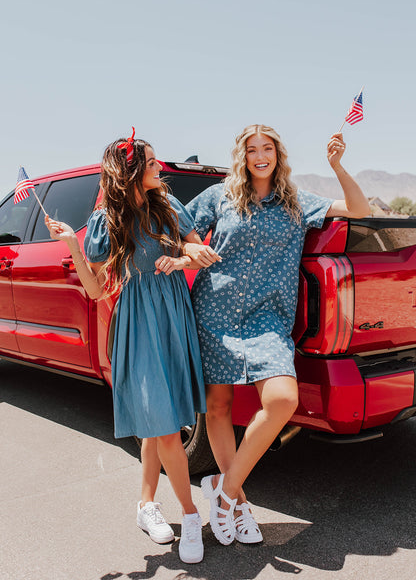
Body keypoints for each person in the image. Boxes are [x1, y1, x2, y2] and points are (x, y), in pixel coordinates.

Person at [184, 125, 370, 546]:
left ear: (277, 154)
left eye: (267, 148)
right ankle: (243, 504)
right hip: (215, 311)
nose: (260, 155)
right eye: (253, 149)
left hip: (269, 320)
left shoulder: (297, 202)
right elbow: (179, 223)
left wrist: (337, 165)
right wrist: (193, 247)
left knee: (283, 400)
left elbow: (358, 208)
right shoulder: (220, 196)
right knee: (217, 406)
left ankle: (226, 495)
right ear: (243, 156)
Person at [45, 128, 220, 564]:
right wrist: (71, 242)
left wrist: (182, 257)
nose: (161, 167)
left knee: (158, 417)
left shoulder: (168, 206)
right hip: (139, 323)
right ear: (132, 170)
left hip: (174, 316)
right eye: (154, 162)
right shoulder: (106, 222)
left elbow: (202, 252)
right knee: (161, 425)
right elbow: (93, 289)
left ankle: (146, 505)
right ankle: (192, 515)